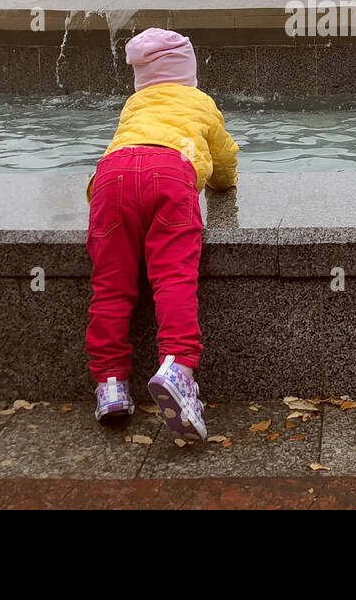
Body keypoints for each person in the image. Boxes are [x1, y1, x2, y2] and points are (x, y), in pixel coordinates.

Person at [85, 27, 239, 437]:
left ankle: (110, 384)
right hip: (172, 176)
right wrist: (224, 184)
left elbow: (121, 148)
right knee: (173, 279)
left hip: (112, 178)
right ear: (189, 73)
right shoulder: (200, 103)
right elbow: (224, 156)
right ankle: (178, 368)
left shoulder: (134, 105)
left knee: (111, 287)